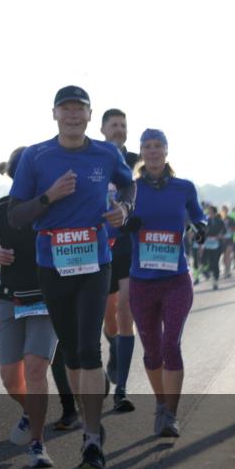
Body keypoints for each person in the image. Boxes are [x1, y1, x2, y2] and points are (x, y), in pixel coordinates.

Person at [7, 85, 134, 469]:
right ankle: (87, 414)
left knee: (88, 348)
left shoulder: (106, 153)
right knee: (71, 355)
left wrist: (124, 210)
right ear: (55, 114)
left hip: (96, 261)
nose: (73, 115)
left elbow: (128, 184)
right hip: (53, 263)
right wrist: (49, 196)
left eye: (80, 109)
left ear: (90, 115)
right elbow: (16, 215)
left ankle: (93, 439)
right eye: (66, 109)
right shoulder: (36, 156)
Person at [0, 147, 77, 468]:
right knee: (9, 378)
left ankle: (37, 443)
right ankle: (32, 412)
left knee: (35, 369)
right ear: (15, 176)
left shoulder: (58, 207)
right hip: (8, 299)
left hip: (47, 301)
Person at [121, 129, 206, 438]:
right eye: (147, 146)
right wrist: (126, 224)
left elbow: (199, 215)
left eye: (158, 145)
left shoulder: (184, 187)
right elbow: (114, 225)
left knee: (172, 345)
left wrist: (200, 227)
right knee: (152, 350)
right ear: (142, 152)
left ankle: (170, 414)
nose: (153, 151)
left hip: (176, 280)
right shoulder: (130, 189)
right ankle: (160, 403)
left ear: (166, 151)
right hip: (142, 282)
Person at [99, 108, 138, 413]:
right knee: (108, 316)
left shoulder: (137, 161)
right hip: (98, 247)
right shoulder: (92, 157)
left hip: (127, 245)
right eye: (114, 125)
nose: (119, 129)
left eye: (123, 125)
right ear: (102, 129)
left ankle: (121, 389)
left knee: (125, 311)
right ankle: (112, 346)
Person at [203, 205, 226, 290]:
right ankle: (207, 272)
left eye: (211, 212)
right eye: (209, 212)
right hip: (207, 244)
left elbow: (224, 230)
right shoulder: (206, 221)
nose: (210, 213)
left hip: (217, 244)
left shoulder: (219, 221)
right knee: (205, 260)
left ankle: (215, 281)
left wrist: (220, 235)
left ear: (215, 213)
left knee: (215, 263)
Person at [220, 204, 234, 278]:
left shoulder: (231, 219)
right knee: (224, 256)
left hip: (229, 239)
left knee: (228, 255)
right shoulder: (219, 219)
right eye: (223, 209)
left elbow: (234, 229)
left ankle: (228, 271)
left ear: (228, 210)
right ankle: (226, 269)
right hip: (222, 240)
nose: (224, 211)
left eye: (226, 210)